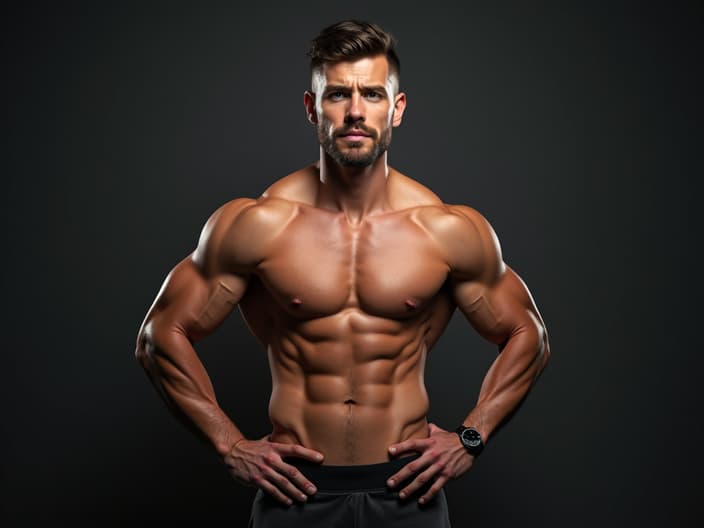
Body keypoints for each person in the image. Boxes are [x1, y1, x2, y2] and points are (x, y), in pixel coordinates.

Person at [135, 19, 550, 527]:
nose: (355, 111)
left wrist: (471, 437)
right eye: (337, 95)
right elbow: (159, 335)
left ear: (396, 109)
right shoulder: (259, 224)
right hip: (294, 493)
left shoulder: (445, 229)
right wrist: (230, 443)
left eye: (373, 94)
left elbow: (529, 334)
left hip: (408, 492)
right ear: (312, 108)